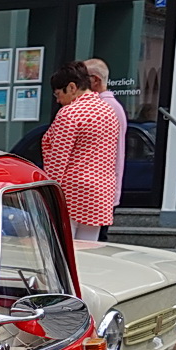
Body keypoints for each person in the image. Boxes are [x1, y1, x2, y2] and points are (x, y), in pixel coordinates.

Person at [41, 61, 121, 243]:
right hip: (101, 191)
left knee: (63, 247)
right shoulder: (108, 111)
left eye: (58, 94)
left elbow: (58, 161)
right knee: (89, 247)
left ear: (72, 87)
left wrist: (49, 193)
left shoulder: (69, 114)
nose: (58, 100)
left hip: (72, 191)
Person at [84, 58, 128, 196]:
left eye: (82, 79)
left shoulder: (103, 107)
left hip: (97, 188)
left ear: (95, 80)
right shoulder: (111, 106)